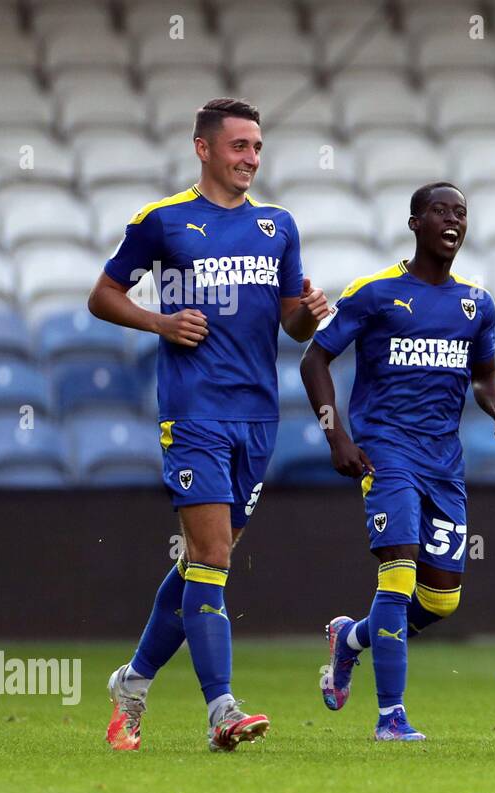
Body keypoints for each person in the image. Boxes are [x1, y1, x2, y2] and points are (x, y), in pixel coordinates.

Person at [90, 98, 330, 751]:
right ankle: (221, 708)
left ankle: (133, 684)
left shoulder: (278, 226)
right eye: (239, 147)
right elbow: (104, 294)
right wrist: (161, 322)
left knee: (203, 561)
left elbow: (293, 323)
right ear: (204, 148)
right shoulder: (163, 223)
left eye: (257, 147)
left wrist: (310, 311)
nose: (251, 158)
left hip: (258, 415)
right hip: (193, 410)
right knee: (215, 558)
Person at [300, 182, 495, 740]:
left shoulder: (476, 304)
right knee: (397, 574)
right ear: (415, 222)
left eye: (461, 213)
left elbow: (484, 373)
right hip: (385, 452)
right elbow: (314, 359)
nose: (452, 220)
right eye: (440, 211)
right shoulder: (375, 294)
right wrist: (336, 439)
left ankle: (350, 639)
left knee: (441, 599)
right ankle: (391, 717)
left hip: (444, 462)